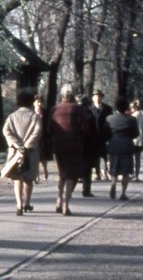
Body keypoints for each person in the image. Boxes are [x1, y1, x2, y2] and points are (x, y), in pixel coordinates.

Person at [48, 84, 94, 215]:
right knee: (71, 175)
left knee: (61, 173)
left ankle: (58, 199)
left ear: (62, 95)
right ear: (72, 94)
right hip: (74, 145)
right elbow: (85, 129)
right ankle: (66, 205)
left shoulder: (54, 109)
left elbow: (49, 129)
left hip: (59, 145)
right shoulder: (79, 109)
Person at [2, 89, 43, 216]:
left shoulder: (12, 117)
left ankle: (18, 204)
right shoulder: (35, 117)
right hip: (30, 152)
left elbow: (6, 131)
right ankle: (27, 203)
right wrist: (27, 145)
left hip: (15, 152)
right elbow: (37, 132)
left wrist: (15, 144)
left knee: (17, 178)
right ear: (31, 102)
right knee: (29, 179)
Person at [104, 96, 141, 200]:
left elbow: (105, 133)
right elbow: (136, 134)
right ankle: (123, 193)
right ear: (126, 107)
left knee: (113, 167)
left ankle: (113, 182)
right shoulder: (132, 119)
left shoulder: (109, 118)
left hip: (113, 145)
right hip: (126, 146)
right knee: (126, 171)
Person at [87, 89, 112, 185]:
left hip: (104, 135)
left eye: (99, 96)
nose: (97, 98)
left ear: (101, 97)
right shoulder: (89, 109)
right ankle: (97, 173)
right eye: (95, 96)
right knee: (95, 155)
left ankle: (105, 172)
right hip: (93, 135)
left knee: (105, 155)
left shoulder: (107, 109)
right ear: (92, 98)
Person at [130, 99, 143, 181]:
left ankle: (132, 173)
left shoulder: (133, 116)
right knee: (138, 159)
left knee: (131, 158)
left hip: (134, 139)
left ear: (134, 107)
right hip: (141, 139)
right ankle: (137, 174)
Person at [34, 96, 51, 182]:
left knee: (43, 157)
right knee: (35, 156)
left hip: (43, 137)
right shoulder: (31, 113)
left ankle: (45, 170)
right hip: (33, 138)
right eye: (38, 102)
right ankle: (36, 174)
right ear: (34, 103)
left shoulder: (46, 113)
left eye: (41, 102)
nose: (39, 104)